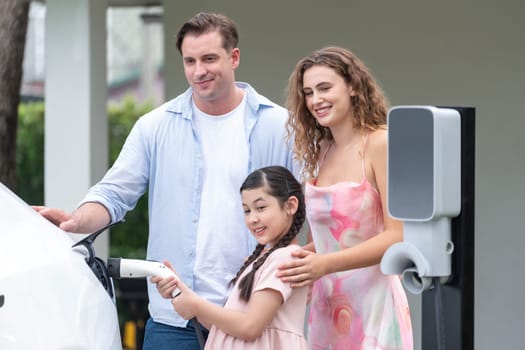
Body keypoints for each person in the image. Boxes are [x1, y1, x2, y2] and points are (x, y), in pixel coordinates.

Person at [34, 12, 297, 350]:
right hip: (175, 320)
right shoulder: (154, 126)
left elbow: (313, 205)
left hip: (252, 319)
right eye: (190, 61)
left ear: (234, 57)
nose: (198, 71)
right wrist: (77, 219)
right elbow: (114, 193)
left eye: (209, 58)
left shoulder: (281, 126)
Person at [276, 46, 413, 349]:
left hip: (374, 306)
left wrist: (323, 264)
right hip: (327, 307)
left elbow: (398, 235)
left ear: (352, 86)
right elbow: (326, 241)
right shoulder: (321, 151)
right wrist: (290, 261)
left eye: (325, 88)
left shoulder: (380, 144)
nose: (315, 100)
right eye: (309, 92)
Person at [155, 165, 308, 349]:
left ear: (290, 206)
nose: (252, 218)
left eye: (261, 207)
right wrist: (180, 291)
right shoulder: (264, 260)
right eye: (247, 210)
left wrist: (196, 305)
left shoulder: (285, 258)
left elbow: (250, 327)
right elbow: (227, 328)